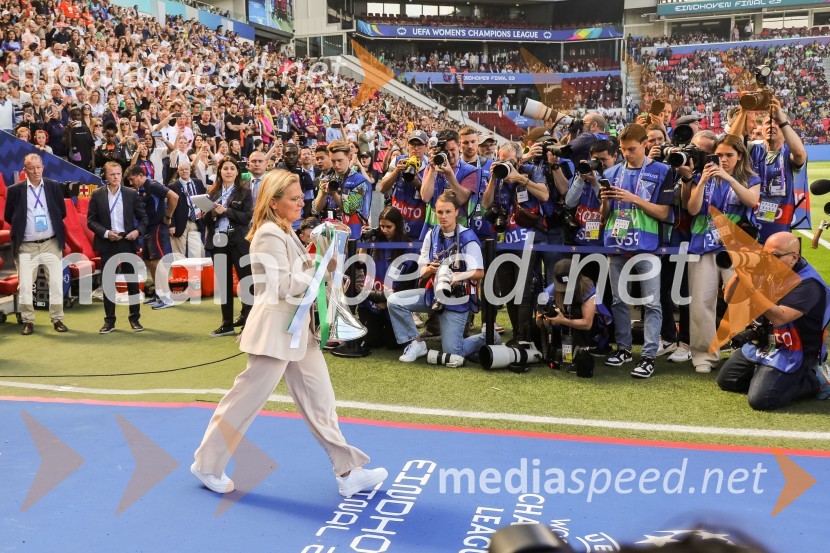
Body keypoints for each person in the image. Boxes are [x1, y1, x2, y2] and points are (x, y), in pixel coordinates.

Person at [192, 169, 388, 498]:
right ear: (274, 202)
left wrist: (321, 263)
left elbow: (297, 273)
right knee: (244, 403)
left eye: (301, 197)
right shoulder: (270, 233)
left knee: (321, 403)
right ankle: (207, 465)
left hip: (297, 332)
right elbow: (282, 285)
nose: (301, 203)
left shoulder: (283, 230)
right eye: (294, 198)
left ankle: (348, 472)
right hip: (276, 333)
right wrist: (320, 268)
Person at [717, 232, 830, 410]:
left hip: (796, 349)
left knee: (762, 400)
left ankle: (816, 378)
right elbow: (729, 299)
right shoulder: (768, 268)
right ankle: (769, 375)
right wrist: (739, 274)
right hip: (767, 340)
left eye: (775, 256)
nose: (768, 260)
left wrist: (750, 287)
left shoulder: (808, 283)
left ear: (794, 258)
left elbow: (779, 317)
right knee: (727, 380)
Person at [599, 123, 674, 378]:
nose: (626, 154)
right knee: (618, 300)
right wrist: (605, 202)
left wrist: (635, 200)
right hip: (617, 243)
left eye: (631, 149)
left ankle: (649, 355)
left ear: (645, 144)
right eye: (623, 149)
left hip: (648, 246)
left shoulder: (662, 171)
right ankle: (624, 349)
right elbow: (604, 216)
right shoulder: (611, 172)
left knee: (652, 303)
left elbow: (664, 213)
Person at [684, 135, 760, 374]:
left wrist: (728, 178)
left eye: (729, 155)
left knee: (742, 302)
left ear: (740, 156)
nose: (724, 159)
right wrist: (702, 182)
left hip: (736, 248)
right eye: (719, 155)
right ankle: (704, 356)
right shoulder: (701, 176)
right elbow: (692, 209)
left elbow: (751, 201)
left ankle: (747, 353)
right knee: (701, 303)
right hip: (702, 244)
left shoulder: (750, 178)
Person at [387, 191, 490, 364]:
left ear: (457, 212)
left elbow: (480, 272)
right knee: (394, 301)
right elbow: (421, 271)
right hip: (432, 294)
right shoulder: (431, 234)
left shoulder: (468, 237)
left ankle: (488, 337)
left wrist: (459, 275)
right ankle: (416, 343)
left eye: (448, 212)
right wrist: (429, 269)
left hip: (456, 299)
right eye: (440, 212)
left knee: (453, 352)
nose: (443, 216)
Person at [4, 153, 68, 335]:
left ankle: (57, 319)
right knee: (25, 286)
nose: (35, 171)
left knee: (55, 284)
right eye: (31, 168)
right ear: (25, 170)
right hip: (26, 246)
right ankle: (28, 321)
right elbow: (9, 216)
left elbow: (61, 212)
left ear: (43, 168)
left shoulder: (53, 186)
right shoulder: (15, 190)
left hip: (51, 243)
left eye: (38, 167)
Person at [87, 161, 148, 334]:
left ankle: (134, 319)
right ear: (105, 176)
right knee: (108, 283)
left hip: (127, 240)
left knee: (132, 282)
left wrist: (137, 231)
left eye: (118, 174)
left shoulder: (131, 193)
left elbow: (144, 218)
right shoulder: (97, 194)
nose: (116, 177)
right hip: (107, 242)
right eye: (112, 174)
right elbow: (91, 221)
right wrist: (106, 233)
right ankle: (109, 321)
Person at [203, 158, 253, 336]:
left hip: (239, 241)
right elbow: (204, 220)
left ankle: (249, 322)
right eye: (225, 168)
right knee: (223, 284)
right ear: (220, 171)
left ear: (237, 172)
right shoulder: (212, 192)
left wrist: (226, 211)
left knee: (246, 281)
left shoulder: (245, 192)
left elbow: (247, 217)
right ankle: (226, 324)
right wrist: (213, 214)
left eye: (232, 168)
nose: (229, 171)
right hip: (218, 240)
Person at [355, 206, 416, 350]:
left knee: (394, 344)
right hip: (372, 302)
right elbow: (360, 263)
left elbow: (408, 284)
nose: (385, 230)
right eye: (382, 226)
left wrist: (387, 301)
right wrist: (365, 242)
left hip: (393, 302)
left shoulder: (409, 247)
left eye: (389, 227)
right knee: (372, 341)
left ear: (398, 226)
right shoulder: (375, 241)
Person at [535, 259, 613, 366]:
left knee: (577, 312)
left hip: (591, 329)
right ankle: (550, 352)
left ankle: (582, 351)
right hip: (563, 327)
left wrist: (563, 320)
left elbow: (587, 324)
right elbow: (540, 324)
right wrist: (544, 320)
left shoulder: (587, 288)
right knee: (532, 326)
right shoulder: (549, 292)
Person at [124, 164, 179, 309]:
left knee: (157, 262)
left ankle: (167, 298)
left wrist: (168, 217)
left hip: (157, 227)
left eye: (132, 179)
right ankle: (159, 294)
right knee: (149, 262)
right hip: (148, 228)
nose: (131, 182)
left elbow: (174, 197)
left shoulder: (152, 185)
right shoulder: (140, 189)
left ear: (141, 175)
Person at [378, 130, 429, 240]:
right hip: (398, 225)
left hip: (419, 226)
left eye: (419, 145)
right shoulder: (398, 161)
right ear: (408, 144)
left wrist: (418, 184)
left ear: (426, 146)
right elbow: (382, 188)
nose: (416, 148)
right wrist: (396, 172)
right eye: (413, 144)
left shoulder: (430, 166)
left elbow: (430, 198)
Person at [168, 161, 206, 258]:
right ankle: (180, 269)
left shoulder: (198, 183)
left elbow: (204, 199)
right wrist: (171, 225)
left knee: (198, 252)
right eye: (181, 169)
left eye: (186, 169)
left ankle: (195, 268)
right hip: (179, 223)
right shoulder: (173, 186)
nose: (184, 171)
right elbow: (169, 207)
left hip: (195, 221)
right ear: (178, 171)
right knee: (178, 254)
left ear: (190, 170)